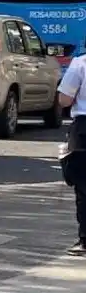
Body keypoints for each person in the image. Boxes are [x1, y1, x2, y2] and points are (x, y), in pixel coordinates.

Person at [58, 55, 86, 256]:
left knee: (84, 187)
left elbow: (64, 99)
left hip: (84, 129)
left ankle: (85, 240)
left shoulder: (80, 64)